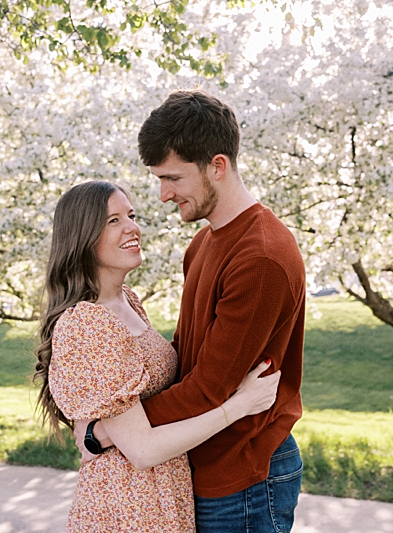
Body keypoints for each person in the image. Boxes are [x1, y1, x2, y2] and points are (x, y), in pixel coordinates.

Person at [76, 90, 307, 533]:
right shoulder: (203, 243)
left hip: (242, 473)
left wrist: (108, 430)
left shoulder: (261, 256)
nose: (163, 195)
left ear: (217, 166)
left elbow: (206, 390)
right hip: (197, 462)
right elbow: (186, 358)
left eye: (173, 179)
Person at [33, 180, 282, 532]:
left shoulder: (128, 301)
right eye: (113, 221)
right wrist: (239, 405)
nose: (133, 228)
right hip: (129, 503)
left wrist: (100, 432)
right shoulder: (87, 323)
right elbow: (143, 450)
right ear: (82, 238)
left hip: (163, 492)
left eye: (131, 216)